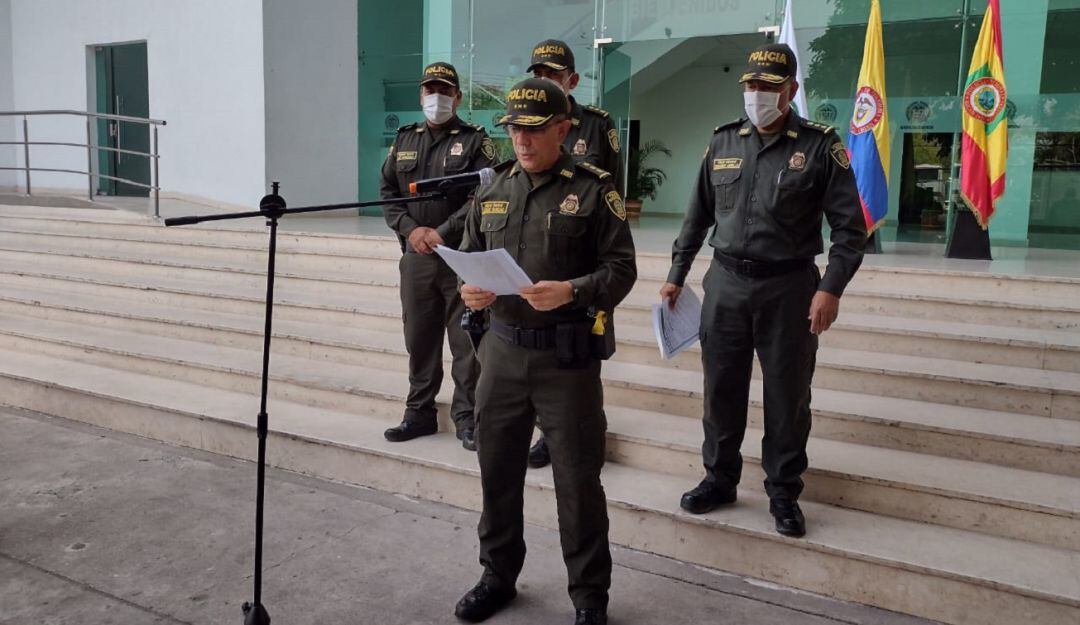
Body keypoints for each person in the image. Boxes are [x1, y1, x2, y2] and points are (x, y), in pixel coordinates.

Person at [660, 43, 866, 538]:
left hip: (790, 288)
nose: (757, 95)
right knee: (720, 390)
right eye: (750, 86)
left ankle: (783, 492)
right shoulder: (723, 142)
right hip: (726, 284)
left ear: (791, 90)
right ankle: (719, 478)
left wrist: (831, 288)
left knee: (787, 396)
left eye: (768, 86)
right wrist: (676, 272)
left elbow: (850, 229)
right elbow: (696, 216)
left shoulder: (820, 146)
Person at [453, 77, 636, 625]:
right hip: (502, 356)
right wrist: (471, 289)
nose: (523, 141)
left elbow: (621, 269)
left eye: (534, 130)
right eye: (514, 130)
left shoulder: (594, 189)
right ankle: (497, 575)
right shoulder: (491, 191)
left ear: (563, 129)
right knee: (497, 472)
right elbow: (467, 256)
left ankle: (589, 597)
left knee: (578, 482)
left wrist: (573, 290)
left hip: (566, 361)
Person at [380, 61, 497, 450]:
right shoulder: (404, 139)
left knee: (465, 341)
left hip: (460, 256)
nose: (437, 98)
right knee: (419, 337)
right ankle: (419, 413)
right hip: (417, 257)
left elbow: (485, 196)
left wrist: (441, 233)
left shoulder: (476, 140)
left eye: (445, 91)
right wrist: (412, 230)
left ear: (458, 97)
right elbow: (388, 192)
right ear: (421, 96)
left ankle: (468, 419)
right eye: (430, 91)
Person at [525, 38, 625, 470]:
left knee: (582, 360)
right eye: (539, 74)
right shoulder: (529, 126)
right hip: (545, 259)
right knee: (549, 362)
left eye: (553, 74)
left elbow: (612, 192)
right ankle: (549, 434)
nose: (545, 81)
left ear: (573, 80)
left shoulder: (597, 125)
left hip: (584, 266)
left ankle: (590, 434)